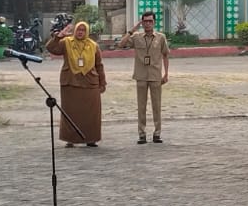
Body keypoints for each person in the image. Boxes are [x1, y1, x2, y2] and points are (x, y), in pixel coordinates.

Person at [48, 20, 107, 146]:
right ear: (75, 31)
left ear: (87, 32)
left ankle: (91, 138)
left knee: (91, 113)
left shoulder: (93, 45)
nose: (80, 32)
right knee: (70, 112)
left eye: (83, 30)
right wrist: (58, 37)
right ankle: (70, 139)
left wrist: (103, 83)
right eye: (78, 30)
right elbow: (51, 49)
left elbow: (99, 65)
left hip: (90, 83)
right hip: (70, 82)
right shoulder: (66, 42)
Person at [118, 11, 170, 144]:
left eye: (150, 21)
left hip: (155, 75)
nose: (147, 24)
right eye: (145, 21)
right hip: (141, 75)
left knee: (156, 106)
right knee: (141, 106)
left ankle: (157, 133)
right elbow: (121, 45)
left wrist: (166, 73)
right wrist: (131, 31)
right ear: (142, 22)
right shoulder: (136, 37)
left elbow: (165, 55)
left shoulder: (160, 37)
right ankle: (142, 134)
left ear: (154, 22)